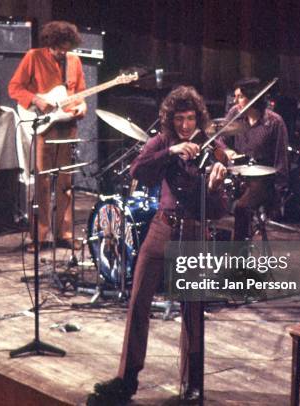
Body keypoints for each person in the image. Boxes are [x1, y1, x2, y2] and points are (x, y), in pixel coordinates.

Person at [88, 86, 227, 405]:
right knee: (138, 299)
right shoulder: (164, 140)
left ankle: (193, 384)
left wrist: (217, 183)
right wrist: (172, 152)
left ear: (199, 118)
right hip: (163, 226)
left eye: (191, 119)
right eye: (180, 119)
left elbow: (219, 209)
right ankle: (127, 379)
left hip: (194, 232)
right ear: (170, 119)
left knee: (193, 308)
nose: (186, 126)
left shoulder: (214, 145)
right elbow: (138, 170)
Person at [8, 20, 86, 251]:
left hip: (68, 126)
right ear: (50, 43)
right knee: (41, 182)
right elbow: (14, 88)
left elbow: (79, 92)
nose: (62, 52)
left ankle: (66, 233)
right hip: (44, 127)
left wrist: (82, 106)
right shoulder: (33, 57)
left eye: (66, 48)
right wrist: (36, 99)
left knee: (66, 183)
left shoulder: (75, 61)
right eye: (58, 48)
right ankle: (39, 236)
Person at [216, 78, 289, 242]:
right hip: (238, 175)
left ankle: (238, 260)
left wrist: (279, 194)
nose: (235, 101)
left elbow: (281, 160)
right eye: (235, 96)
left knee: (241, 208)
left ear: (253, 97)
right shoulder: (235, 113)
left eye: (240, 96)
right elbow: (218, 138)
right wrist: (227, 151)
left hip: (264, 181)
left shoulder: (274, 122)